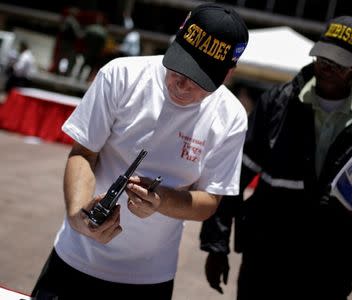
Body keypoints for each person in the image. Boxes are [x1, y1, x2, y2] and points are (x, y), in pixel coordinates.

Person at [31, 3, 248, 299]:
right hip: (75, 258)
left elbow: (210, 200)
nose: (182, 85)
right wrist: (78, 216)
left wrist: (161, 201)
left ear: (227, 75)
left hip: (149, 277)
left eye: (200, 81)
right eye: (180, 67)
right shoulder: (122, 75)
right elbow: (83, 153)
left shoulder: (231, 116)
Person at [200, 16, 352, 299]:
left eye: (339, 62)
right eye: (323, 57)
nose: (326, 67)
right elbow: (233, 176)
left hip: (330, 268)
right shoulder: (277, 103)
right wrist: (217, 245)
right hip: (266, 259)